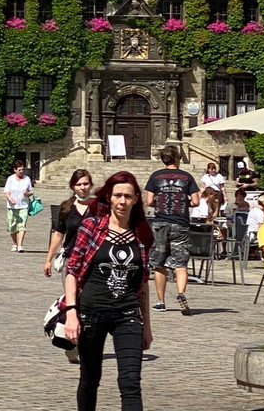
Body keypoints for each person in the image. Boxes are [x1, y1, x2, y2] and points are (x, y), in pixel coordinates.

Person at [64, 171, 154, 411]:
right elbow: (72, 270)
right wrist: (71, 312)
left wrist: (147, 326)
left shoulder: (141, 234)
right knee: (90, 379)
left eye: (128, 196)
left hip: (127, 315)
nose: (122, 201)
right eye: (118, 195)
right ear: (109, 198)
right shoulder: (91, 227)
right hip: (91, 314)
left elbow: (143, 283)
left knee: (130, 383)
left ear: (136, 199)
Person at [144, 144, 200, 315]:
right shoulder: (187, 177)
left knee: (159, 263)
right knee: (180, 262)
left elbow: (149, 201)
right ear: (177, 158)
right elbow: (196, 201)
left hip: (160, 223)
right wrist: (184, 202)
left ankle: (160, 301)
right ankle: (181, 293)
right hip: (180, 223)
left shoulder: (155, 176)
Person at [44, 169, 94, 280]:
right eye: (78, 184)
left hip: (92, 260)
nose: (82, 187)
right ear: (73, 187)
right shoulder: (66, 207)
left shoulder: (98, 207)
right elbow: (58, 235)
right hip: (71, 259)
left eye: (86, 184)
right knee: (70, 295)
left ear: (91, 185)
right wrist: (48, 260)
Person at [4, 160, 34, 252]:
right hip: (12, 206)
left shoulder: (27, 179)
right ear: (15, 170)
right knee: (11, 226)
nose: (21, 171)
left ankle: (20, 245)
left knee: (22, 225)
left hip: (24, 205)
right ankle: (15, 243)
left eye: (22, 169)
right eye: (19, 170)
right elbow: (6, 192)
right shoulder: (11, 179)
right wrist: (10, 199)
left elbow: (31, 192)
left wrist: (27, 193)